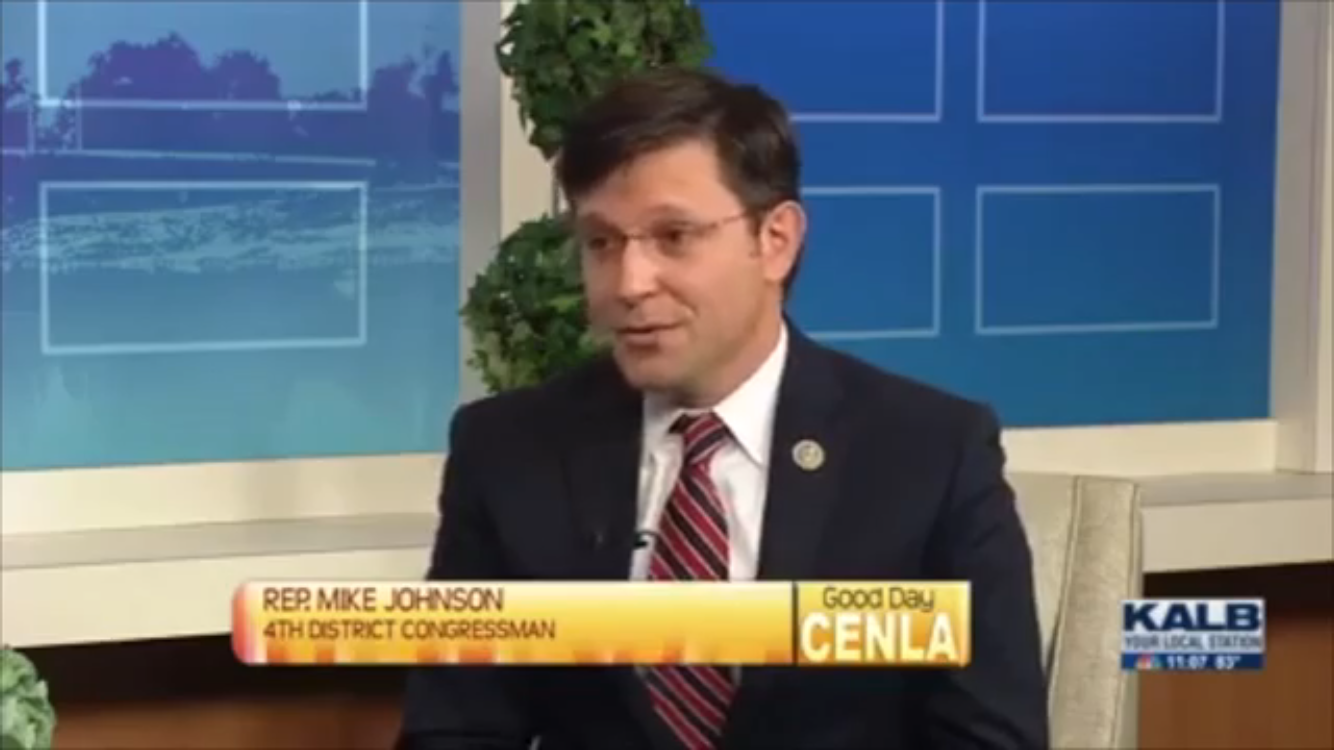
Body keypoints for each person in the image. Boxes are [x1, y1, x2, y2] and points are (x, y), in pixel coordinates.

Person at [398, 67, 1049, 750]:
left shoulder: (929, 454)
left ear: (776, 241)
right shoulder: (507, 451)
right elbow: (454, 730)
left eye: (674, 236)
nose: (629, 283)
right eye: (601, 243)